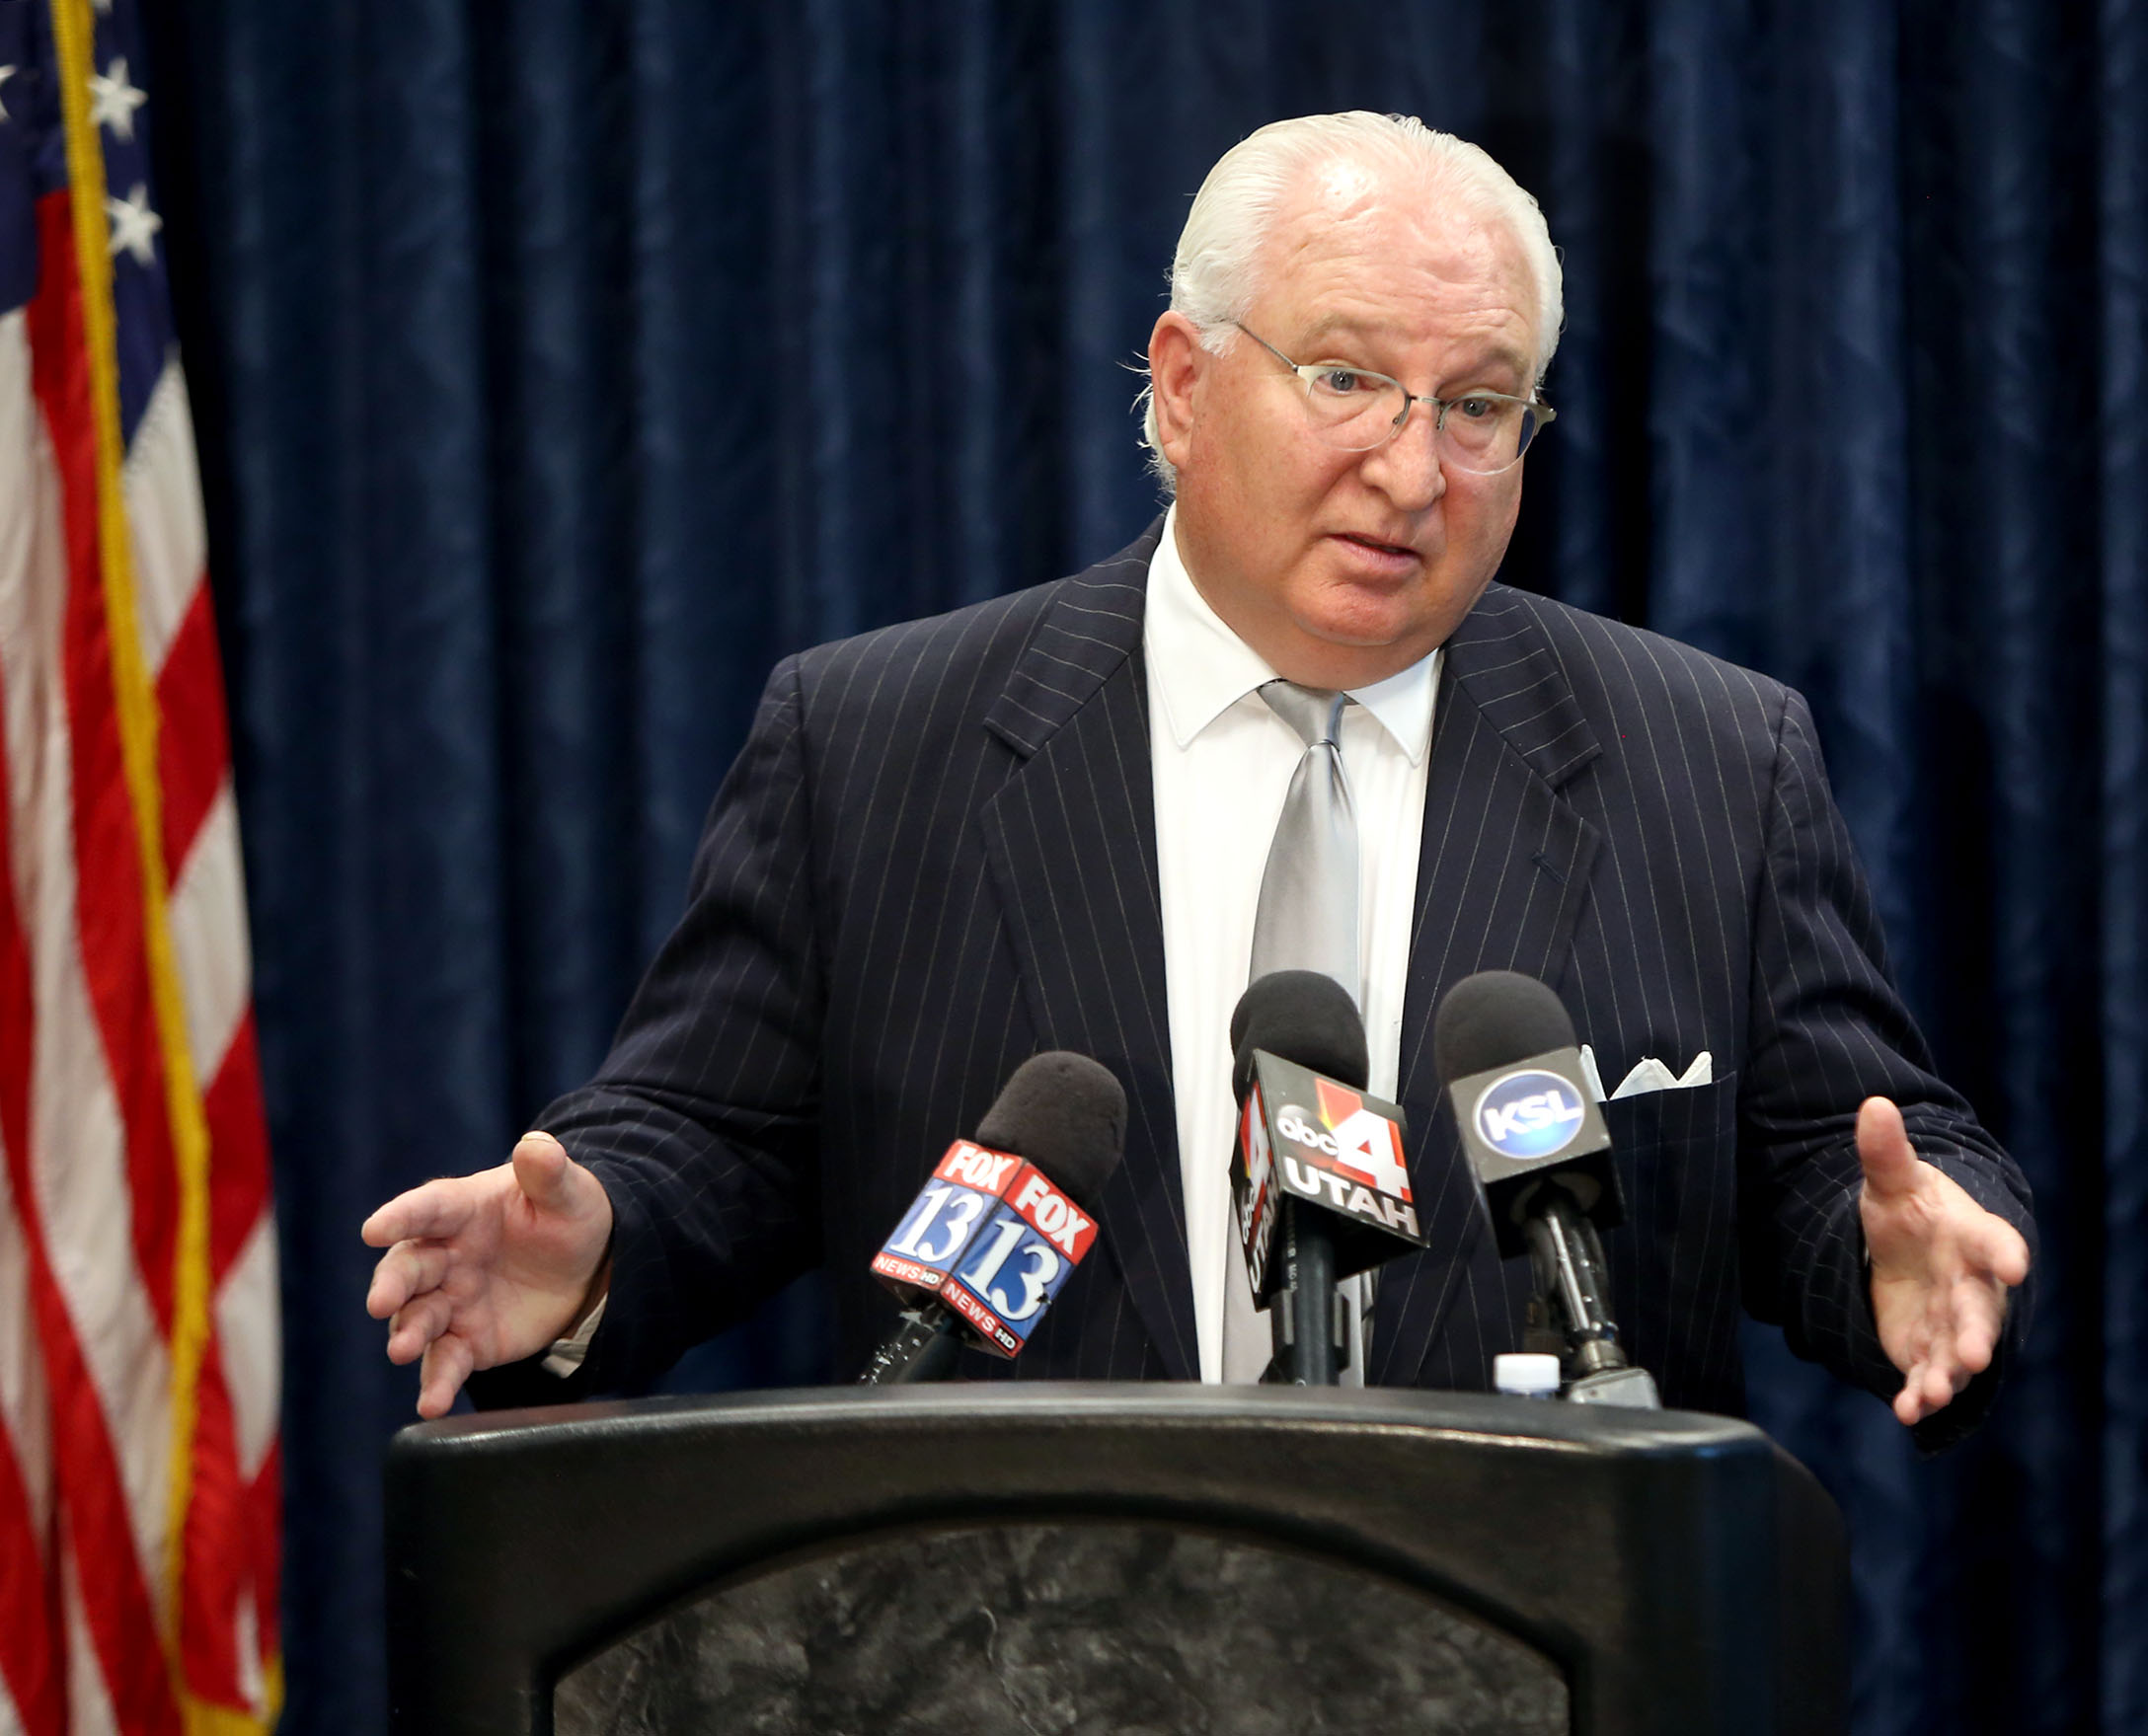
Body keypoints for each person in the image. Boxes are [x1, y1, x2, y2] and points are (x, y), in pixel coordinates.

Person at [364, 113, 2033, 1447]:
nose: (1409, 467)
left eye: (1476, 406)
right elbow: (706, 1138)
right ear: (1182, 383)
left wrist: (1905, 1244)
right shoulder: (876, 743)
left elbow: (1852, 1152)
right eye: (1346, 380)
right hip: (1017, 1659)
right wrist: (594, 1247)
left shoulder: (1711, 759)